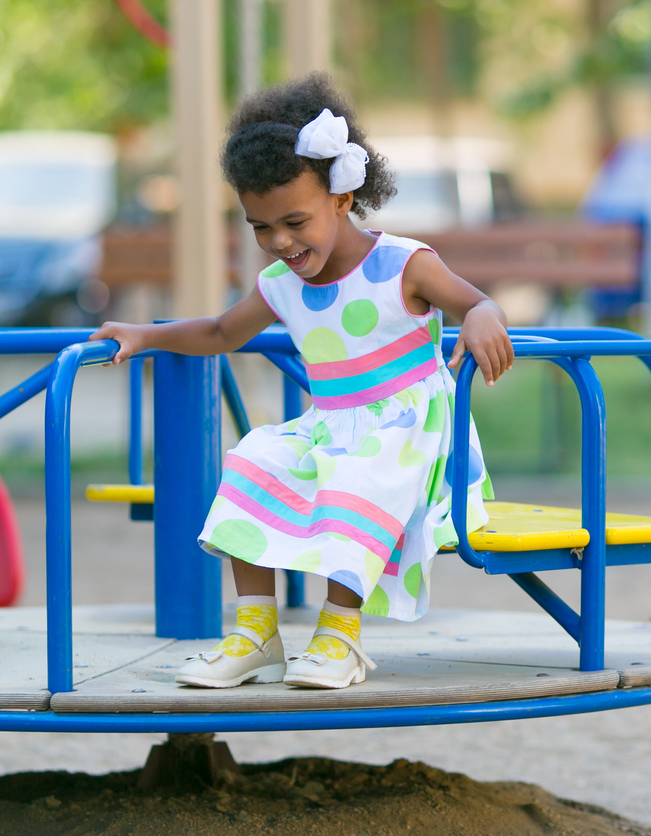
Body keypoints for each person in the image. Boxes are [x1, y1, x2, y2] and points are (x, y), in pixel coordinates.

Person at [90, 73, 512, 690]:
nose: (280, 242)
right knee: (254, 458)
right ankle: (255, 633)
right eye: (261, 228)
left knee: (357, 475)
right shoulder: (284, 285)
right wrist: (147, 336)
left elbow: (481, 303)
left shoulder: (403, 264)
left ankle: (338, 638)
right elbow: (217, 333)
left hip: (416, 434)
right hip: (334, 426)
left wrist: (478, 320)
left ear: (342, 199)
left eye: (294, 221)